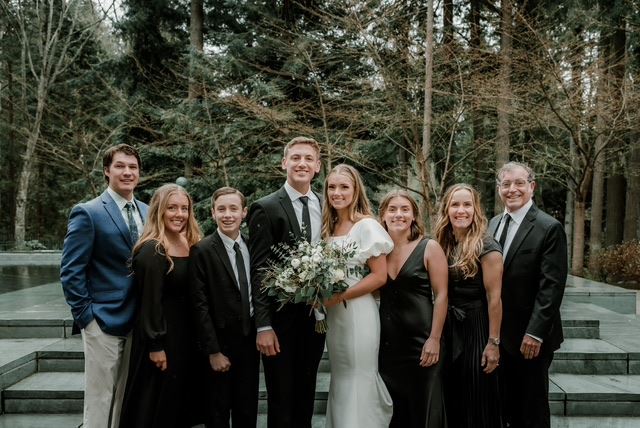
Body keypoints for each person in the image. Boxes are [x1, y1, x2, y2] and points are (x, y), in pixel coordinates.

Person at [60, 144, 148, 428]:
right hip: (102, 320)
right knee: (100, 399)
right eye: (120, 166)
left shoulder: (148, 212)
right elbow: (71, 270)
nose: (127, 172)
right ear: (106, 171)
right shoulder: (88, 212)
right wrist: (87, 318)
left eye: (133, 167)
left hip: (139, 320)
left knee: (125, 398)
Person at [248, 136, 326, 428]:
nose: (301, 163)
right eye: (295, 158)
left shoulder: (326, 205)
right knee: (281, 401)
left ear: (317, 166)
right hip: (279, 323)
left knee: (305, 398)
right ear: (284, 163)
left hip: (316, 320)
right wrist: (264, 325)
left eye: (308, 158)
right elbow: (259, 269)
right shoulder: (265, 207)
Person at [489, 162, 567, 428]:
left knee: (530, 411)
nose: (512, 189)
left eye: (519, 183)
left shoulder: (549, 227)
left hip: (529, 339)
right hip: (497, 336)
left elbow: (552, 286)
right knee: (503, 409)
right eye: (506, 184)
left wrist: (535, 333)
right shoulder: (493, 224)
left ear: (532, 187)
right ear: (499, 189)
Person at [119, 183, 204, 428]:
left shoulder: (192, 243)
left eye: (184, 208)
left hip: (187, 339)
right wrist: (156, 345)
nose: (179, 214)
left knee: (180, 406)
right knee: (157, 408)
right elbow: (150, 303)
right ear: (158, 210)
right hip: (163, 341)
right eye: (172, 208)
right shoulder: (152, 250)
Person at [321, 164, 394, 428]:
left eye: (344, 187)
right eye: (331, 187)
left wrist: (340, 297)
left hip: (358, 313)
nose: (337, 192)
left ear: (355, 190)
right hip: (335, 315)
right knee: (341, 376)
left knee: (358, 375)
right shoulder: (329, 226)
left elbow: (379, 276)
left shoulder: (366, 226)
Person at [434, 184, 503, 428]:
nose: (460, 210)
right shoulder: (443, 243)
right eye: (455, 204)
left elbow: (495, 299)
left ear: (476, 210)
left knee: (476, 396)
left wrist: (493, 344)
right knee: (451, 396)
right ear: (447, 209)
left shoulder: (487, 246)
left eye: (467, 204)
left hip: (476, 328)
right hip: (448, 329)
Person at [378, 190, 449, 428]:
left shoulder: (429, 247)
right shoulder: (377, 251)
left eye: (405, 209)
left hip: (422, 343)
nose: (399, 214)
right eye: (393, 209)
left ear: (414, 215)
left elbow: (441, 296)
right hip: (387, 346)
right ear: (383, 216)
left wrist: (435, 339)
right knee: (395, 413)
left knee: (423, 410)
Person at [190, 187, 260, 428]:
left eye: (233, 209)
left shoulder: (253, 247)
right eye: (221, 209)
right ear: (213, 213)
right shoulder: (202, 250)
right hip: (219, 344)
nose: (227, 214)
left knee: (247, 408)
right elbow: (199, 305)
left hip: (249, 342)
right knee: (217, 411)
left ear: (244, 213)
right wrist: (213, 351)